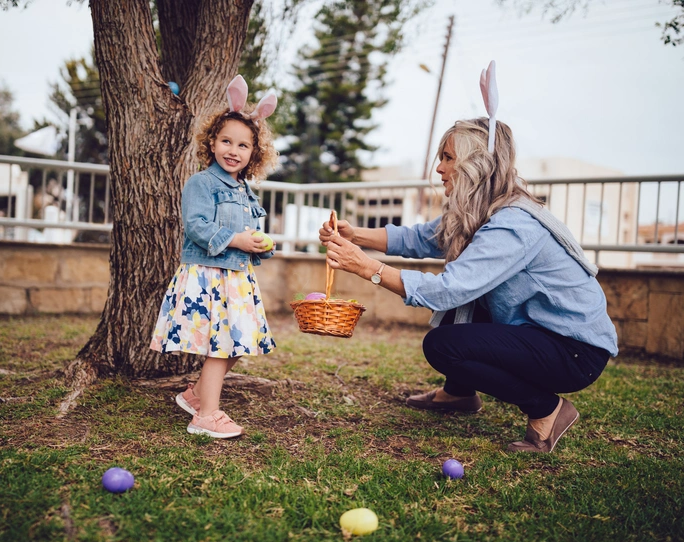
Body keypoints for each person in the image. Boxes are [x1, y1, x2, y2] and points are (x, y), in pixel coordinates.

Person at [319, 63, 617, 453]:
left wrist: (366, 267)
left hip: (573, 349)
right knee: (472, 310)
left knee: (443, 344)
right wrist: (355, 234)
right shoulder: (479, 212)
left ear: (475, 165)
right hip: (541, 333)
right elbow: (421, 238)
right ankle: (459, 394)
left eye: (447, 158)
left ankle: (548, 410)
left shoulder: (512, 225)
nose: (439, 168)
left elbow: (448, 290)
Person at [150, 75, 279, 439]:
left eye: (243, 145)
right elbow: (197, 227)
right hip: (209, 276)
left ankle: (195, 396)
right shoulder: (201, 184)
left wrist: (261, 246)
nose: (233, 151)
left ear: (254, 153)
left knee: (239, 342)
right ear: (212, 142)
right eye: (226, 141)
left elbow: (250, 236)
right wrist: (236, 238)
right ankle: (206, 416)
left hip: (237, 279)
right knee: (222, 347)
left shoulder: (245, 192)